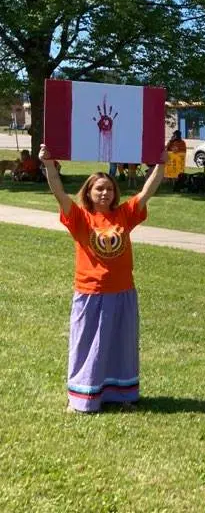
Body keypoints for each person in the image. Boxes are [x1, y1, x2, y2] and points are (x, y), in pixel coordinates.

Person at [39, 143, 166, 413]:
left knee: (121, 346)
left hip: (122, 292)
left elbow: (146, 192)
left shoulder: (124, 215)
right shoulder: (80, 218)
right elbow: (59, 193)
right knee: (86, 346)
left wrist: (161, 164)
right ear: (89, 192)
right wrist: (49, 163)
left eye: (108, 188)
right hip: (90, 294)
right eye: (99, 189)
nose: (105, 193)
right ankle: (82, 399)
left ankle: (121, 397)